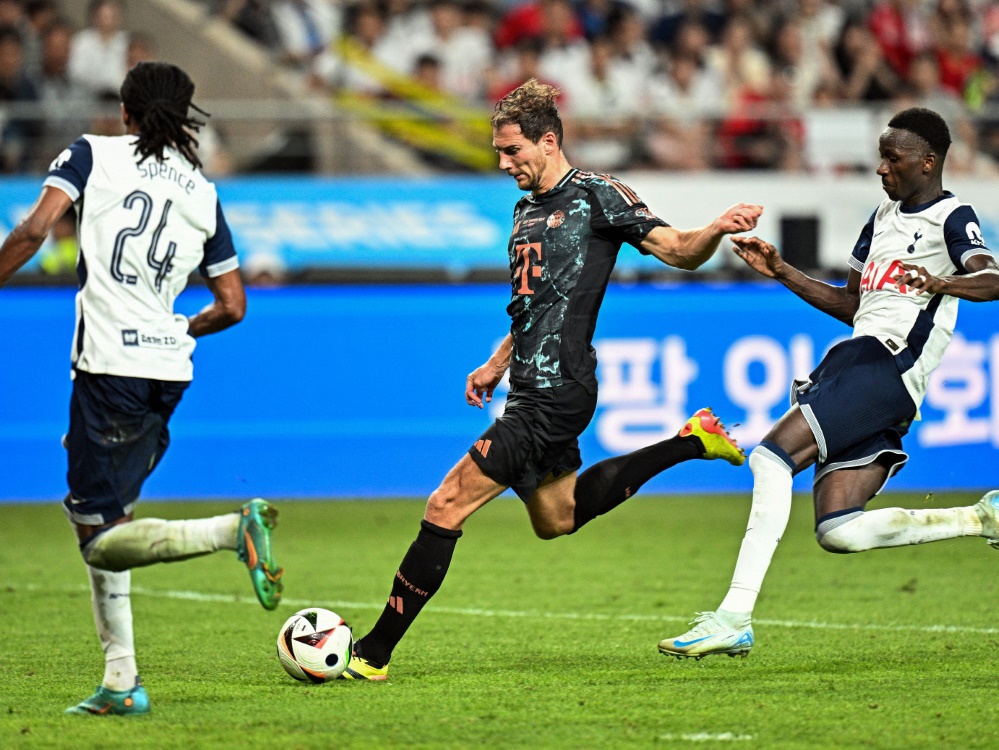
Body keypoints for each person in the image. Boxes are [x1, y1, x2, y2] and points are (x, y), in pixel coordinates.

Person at [340, 78, 763, 680]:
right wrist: (497, 361)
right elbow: (533, 303)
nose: (505, 163)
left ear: (547, 140)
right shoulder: (524, 212)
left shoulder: (598, 196)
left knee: (446, 502)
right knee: (556, 518)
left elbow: (677, 250)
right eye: (498, 153)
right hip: (527, 388)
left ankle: (372, 653)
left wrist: (716, 229)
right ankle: (692, 440)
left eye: (513, 151)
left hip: (556, 393)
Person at [658, 107, 999, 660]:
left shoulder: (953, 216)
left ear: (928, 161)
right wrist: (783, 271)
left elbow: (993, 276)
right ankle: (980, 516)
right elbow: (852, 304)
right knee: (839, 530)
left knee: (770, 459)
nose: (882, 169)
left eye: (894, 158)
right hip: (874, 371)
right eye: (880, 158)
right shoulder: (881, 218)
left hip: (884, 364)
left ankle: (732, 617)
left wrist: (942, 281)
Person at [0, 62, 283, 715]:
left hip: (108, 369)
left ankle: (229, 531)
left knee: (98, 535)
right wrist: (178, 327)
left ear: (125, 111)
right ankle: (121, 682)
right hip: (167, 372)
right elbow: (234, 303)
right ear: (184, 117)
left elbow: (36, 228)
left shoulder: (92, 154)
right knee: (102, 517)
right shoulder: (202, 191)